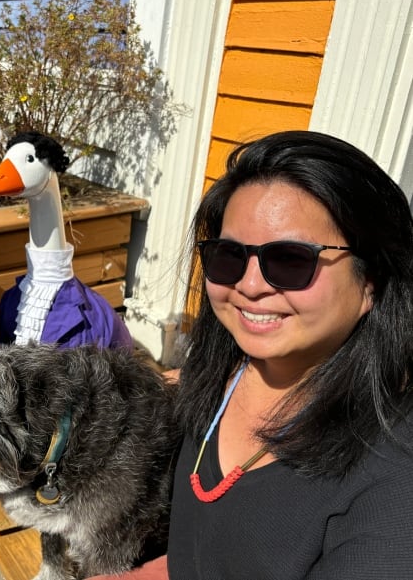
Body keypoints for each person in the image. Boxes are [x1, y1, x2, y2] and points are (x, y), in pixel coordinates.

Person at [90, 129, 413, 579]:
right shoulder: (220, 377)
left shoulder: (395, 476)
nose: (250, 285)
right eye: (229, 256)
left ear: (370, 280)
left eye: (291, 259)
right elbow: (201, 558)